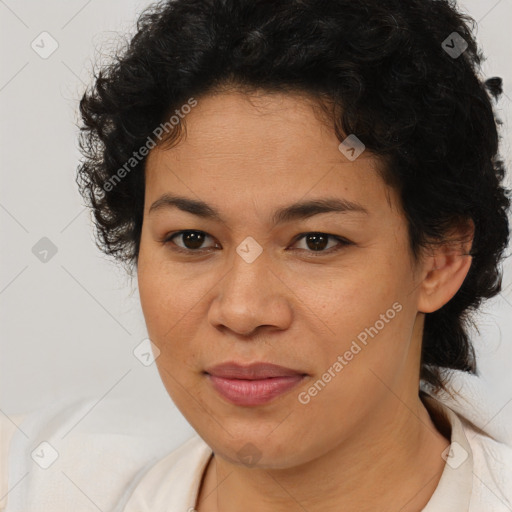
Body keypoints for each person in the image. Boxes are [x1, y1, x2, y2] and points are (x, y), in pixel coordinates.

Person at [2, 0, 511, 511]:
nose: (243, 312)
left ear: (440, 259)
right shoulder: (36, 483)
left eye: (316, 241)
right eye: (193, 239)